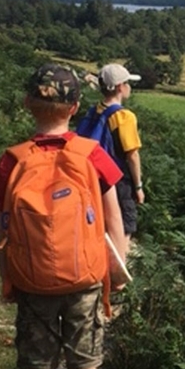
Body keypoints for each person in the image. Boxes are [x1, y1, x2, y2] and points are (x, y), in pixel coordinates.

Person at [0, 63, 129, 369]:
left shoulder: (12, 160)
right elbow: (114, 222)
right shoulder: (92, 154)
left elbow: (0, 227)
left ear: (27, 104)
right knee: (84, 365)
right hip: (85, 278)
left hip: (32, 281)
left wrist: (8, 278)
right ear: (75, 107)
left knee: (41, 366)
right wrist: (114, 275)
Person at [77, 63, 145, 243]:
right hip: (117, 180)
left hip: (92, 176)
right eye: (128, 83)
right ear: (120, 87)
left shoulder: (94, 110)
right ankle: (119, 263)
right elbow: (132, 155)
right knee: (124, 227)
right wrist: (138, 187)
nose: (129, 87)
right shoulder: (124, 117)